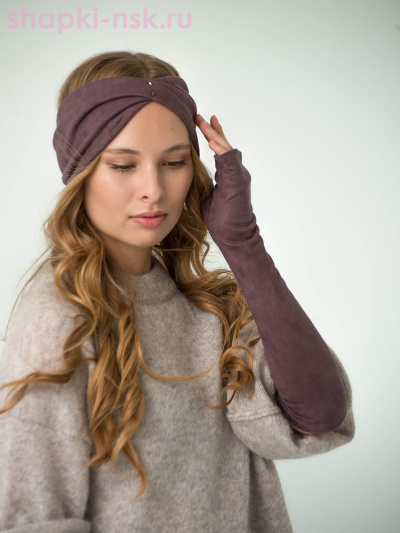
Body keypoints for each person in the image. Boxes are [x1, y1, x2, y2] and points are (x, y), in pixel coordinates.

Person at [0, 50, 355, 532]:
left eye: (174, 162)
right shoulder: (59, 317)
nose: (154, 189)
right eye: (122, 165)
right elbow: (36, 517)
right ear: (79, 173)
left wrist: (243, 246)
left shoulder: (210, 310)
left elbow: (319, 414)